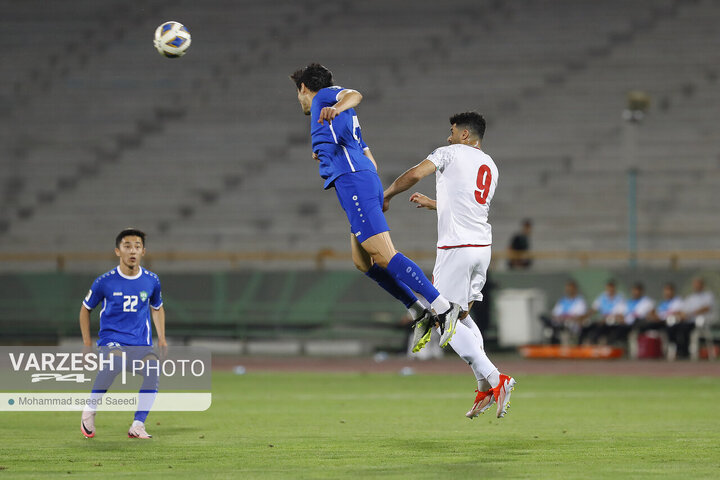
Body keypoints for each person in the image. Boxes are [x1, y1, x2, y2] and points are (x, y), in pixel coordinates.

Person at [290, 63, 461, 346]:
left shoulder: (324, 96)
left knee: (384, 255)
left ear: (303, 88)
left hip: (354, 180)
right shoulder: (338, 121)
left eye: (298, 94)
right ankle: (418, 311)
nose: (300, 100)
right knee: (363, 262)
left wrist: (338, 107)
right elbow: (368, 154)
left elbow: (355, 94)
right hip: (356, 180)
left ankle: (442, 306)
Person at [383, 111, 516, 419]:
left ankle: (497, 379)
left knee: (444, 317)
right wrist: (434, 204)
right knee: (463, 315)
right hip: (482, 248)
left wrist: (387, 193)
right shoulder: (490, 165)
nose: (449, 136)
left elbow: (416, 173)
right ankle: (484, 384)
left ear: (465, 135)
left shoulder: (448, 153)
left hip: (456, 248)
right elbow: (466, 204)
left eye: (453, 131)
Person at [79, 228, 166, 439]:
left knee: (153, 369)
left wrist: (162, 338)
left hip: (139, 345)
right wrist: (87, 343)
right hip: (112, 341)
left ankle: (138, 424)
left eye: (137, 246)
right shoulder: (104, 281)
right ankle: (90, 409)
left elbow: (157, 307)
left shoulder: (152, 280)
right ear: (118, 251)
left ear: (143, 251)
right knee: (115, 362)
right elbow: (85, 309)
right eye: (127, 246)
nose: (132, 251)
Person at [667, 277, 715, 358]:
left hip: (701, 322)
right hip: (689, 321)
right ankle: (679, 350)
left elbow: (706, 308)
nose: (696, 286)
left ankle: (685, 352)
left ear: (702, 285)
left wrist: (691, 314)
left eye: (698, 284)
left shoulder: (708, 295)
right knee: (673, 327)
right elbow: (683, 310)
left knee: (685, 328)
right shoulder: (690, 297)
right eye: (695, 285)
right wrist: (679, 315)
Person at [540, 280, 588, 344]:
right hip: (560, 324)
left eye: (571, 288)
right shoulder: (562, 301)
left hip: (572, 326)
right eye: (567, 288)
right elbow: (555, 313)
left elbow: (580, 316)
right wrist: (559, 318)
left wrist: (567, 318)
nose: (569, 290)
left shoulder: (580, 301)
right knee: (544, 319)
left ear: (575, 289)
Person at [579, 280, 626, 344]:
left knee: (600, 329)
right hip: (603, 322)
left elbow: (620, 315)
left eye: (611, 288)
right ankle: (581, 345)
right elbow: (593, 309)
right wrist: (584, 317)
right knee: (587, 327)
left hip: (613, 323)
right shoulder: (602, 297)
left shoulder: (620, 298)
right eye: (608, 288)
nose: (610, 290)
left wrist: (607, 319)